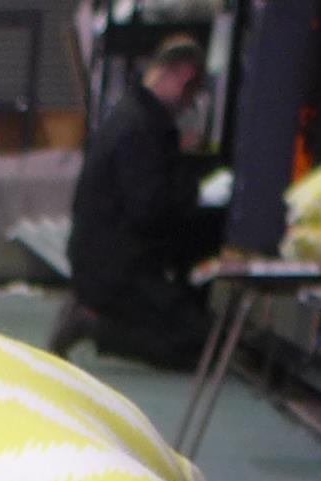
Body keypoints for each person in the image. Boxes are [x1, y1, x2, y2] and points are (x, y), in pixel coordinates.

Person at [55, 35, 223, 370]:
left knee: (197, 332)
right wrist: (193, 193)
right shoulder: (141, 129)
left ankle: (98, 314)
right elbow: (150, 210)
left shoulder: (132, 116)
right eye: (192, 91)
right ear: (183, 75)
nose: (190, 104)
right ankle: (94, 324)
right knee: (198, 346)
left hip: (106, 260)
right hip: (117, 270)